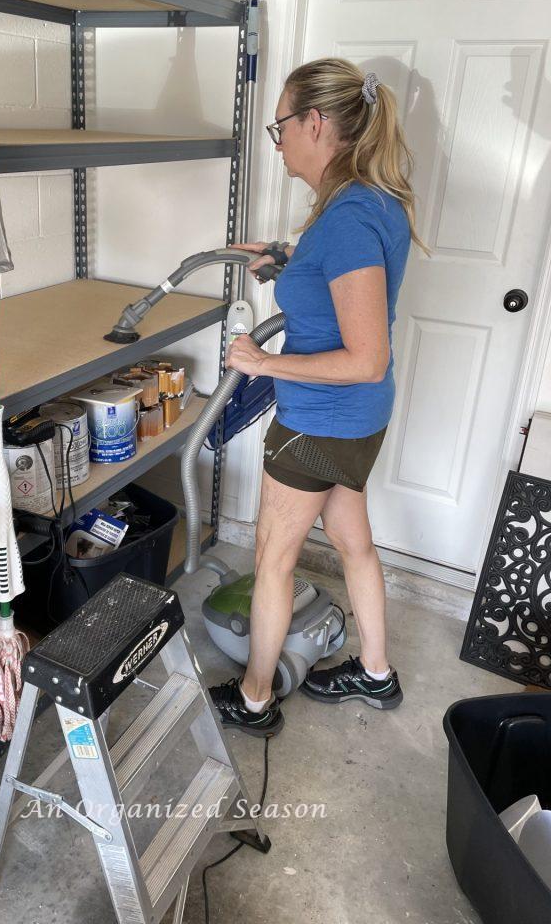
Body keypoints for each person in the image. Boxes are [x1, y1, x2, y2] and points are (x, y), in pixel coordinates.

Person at [208, 58, 427, 738]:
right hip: (357, 423)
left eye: (280, 127)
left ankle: (253, 697)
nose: (278, 144)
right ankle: (377, 672)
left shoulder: (347, 220)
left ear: (314, 123)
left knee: (273, 559)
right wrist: (288, 257)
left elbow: (365, 357)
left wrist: (262, 360)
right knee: (351, 540)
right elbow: (338, 279)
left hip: (319, 421)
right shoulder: (368, 202)